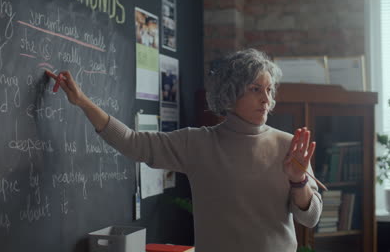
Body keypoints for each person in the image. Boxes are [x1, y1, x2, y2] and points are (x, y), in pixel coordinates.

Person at [45, 48, 322, 252]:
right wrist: (82, 102)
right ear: (231, 93)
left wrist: (298, 181)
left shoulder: (290, 146)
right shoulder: (198, 143)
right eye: (256, 89)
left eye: (270, 90)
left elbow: (310, 218)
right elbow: (132, 142)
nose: (266, 99)